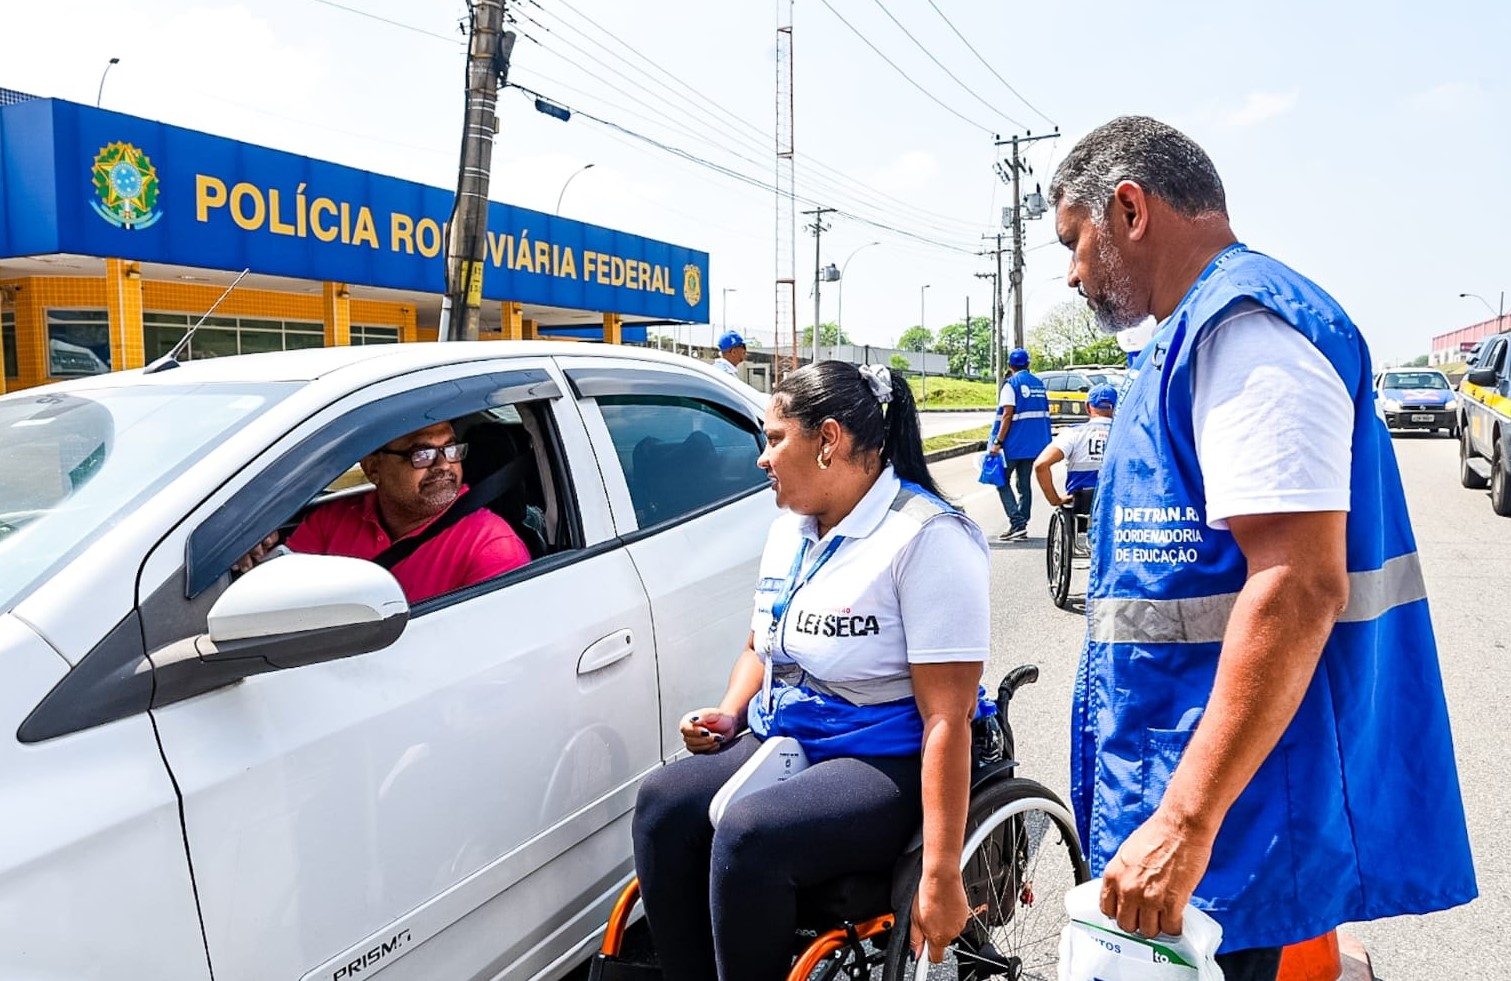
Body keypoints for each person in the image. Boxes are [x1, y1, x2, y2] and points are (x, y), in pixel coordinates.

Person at [1050, 115, 1475, 981]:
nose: (1072, 273)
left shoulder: (1245, 331)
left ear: (1129, 209)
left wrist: (1184, 822)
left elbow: (1297, 584)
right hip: (1193, 798)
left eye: (1074, 240)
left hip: (1226, 827)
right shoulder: (1188, 336)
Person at [631, 361, 991, 981]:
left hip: (887, 758)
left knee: (750, 833)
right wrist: (730, 712)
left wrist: (940, 873)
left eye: (774, 439)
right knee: (662, 803)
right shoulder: (789, 531)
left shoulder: (927, 538)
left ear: (828, 440)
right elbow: (760, 646)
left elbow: (946, 718)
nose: (762, 458)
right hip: (791, 737)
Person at [235, 420, 531, 603]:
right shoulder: (331, 519)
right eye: (422, 454)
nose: (444, 465)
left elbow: (491, 661)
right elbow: (277, 594)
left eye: (451, 449)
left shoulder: (492, 548)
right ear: (373, 468)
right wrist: (250, 556)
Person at [986, 347, 1051, 540]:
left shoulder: (1011, 385)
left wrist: (998, 442)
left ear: (1010, 365)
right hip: (1035, 444)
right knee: (1024, 484)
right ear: (1028, 364)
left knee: (1001, 481)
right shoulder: (1039, 384)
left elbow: (1007, 415)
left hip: (1013, 444)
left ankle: (1017, 522)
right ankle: (1022, 522)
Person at [1032, 381, 1115, 508]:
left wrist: (1055, 499)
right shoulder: (1125, 436)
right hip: (1116, 505)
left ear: (1087, 407)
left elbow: (1041, 465)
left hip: (1081, 504)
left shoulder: (1073, 433)